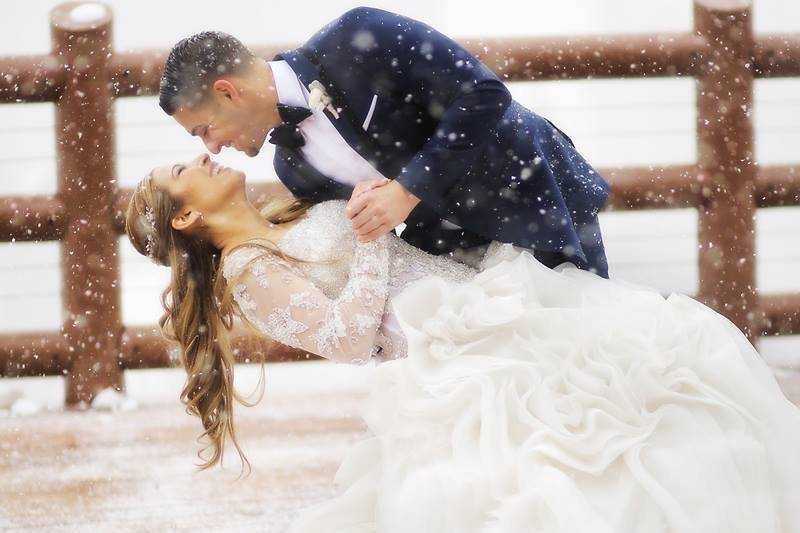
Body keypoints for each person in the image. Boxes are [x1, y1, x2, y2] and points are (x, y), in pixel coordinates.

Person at [126, 154, 800, 533]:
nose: (203, 154)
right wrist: (371, 236)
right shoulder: (247, 271)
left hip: (489, 298)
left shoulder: (285, 214)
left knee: (655, 362)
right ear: (186, 214)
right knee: (567, 456)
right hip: (452, 349)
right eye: (183, 166)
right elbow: (349, 336)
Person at [158, 6, 611, 279]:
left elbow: (484, 95)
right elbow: (370, 247)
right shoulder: (292, 168)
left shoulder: (359, 37)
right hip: (458, 265)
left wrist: (407, 189)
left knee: (591, 367)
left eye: (203, 130)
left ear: (226, 92)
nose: (211, 148)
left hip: (529, 195)